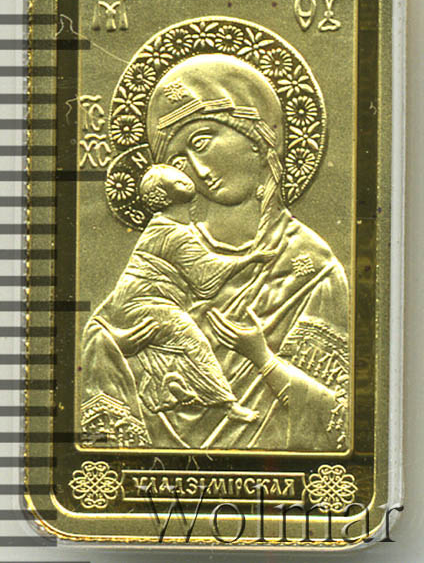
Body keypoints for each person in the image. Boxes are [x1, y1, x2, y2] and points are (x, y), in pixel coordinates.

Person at [82, 52, 350, 452]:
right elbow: (101, 339)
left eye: (202, 143)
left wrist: (263, 358)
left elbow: (340, 421)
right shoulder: (167, 245)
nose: (198, 170)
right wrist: (116, 348)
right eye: (179, 160)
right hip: (154, 473)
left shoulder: (313, 268)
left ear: (257, 136)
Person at [84, 163, 277, 427]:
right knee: (192, 339)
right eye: (177, 182)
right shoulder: (169, 231)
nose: (186, 180)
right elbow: (206, 271)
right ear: (164, 197)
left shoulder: (170, 227)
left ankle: (170, 387)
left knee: (172, 343)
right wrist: (250, 259)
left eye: (182, 177)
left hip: (143, 304)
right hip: (144, 304)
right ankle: (228, 404)